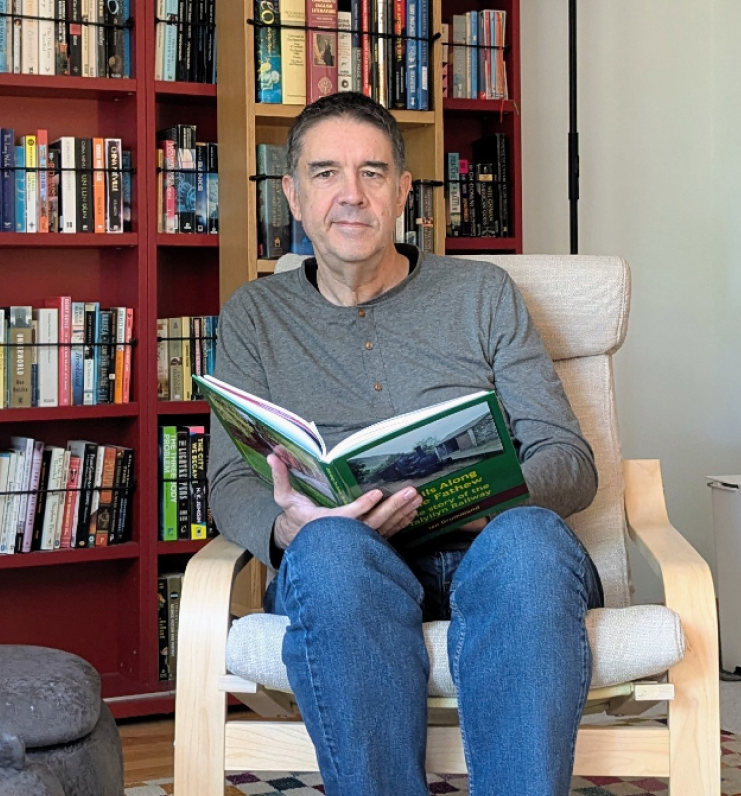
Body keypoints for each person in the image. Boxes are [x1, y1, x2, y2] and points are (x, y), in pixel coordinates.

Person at [208, 91, 602, 796]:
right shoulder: (254, 316)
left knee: (530, 540)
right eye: (326, 173)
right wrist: (288, 526)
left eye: (372, 173)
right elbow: (227, 483)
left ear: (402, 194)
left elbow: (568, 463)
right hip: (346, 575)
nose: (350, 195)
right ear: (293, 196)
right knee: (327, 550)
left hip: (491, 555)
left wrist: (484, 500)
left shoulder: (483, 295)